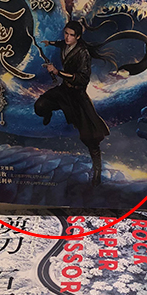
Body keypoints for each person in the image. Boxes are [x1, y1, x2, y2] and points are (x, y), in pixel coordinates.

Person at [34, 20, 109, 186]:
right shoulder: (66, 43)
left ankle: (97, 170)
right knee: (40, 106)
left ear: (78, 37)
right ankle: (48, 113)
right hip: (64, 91)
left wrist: (57, 72)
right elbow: (61, 43)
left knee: (90, 137)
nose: (67, 37)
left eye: (71, 35)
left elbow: (82, 78)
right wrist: (49, 43)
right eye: (66, 33)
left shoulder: (83, 53)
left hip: (77, 96)